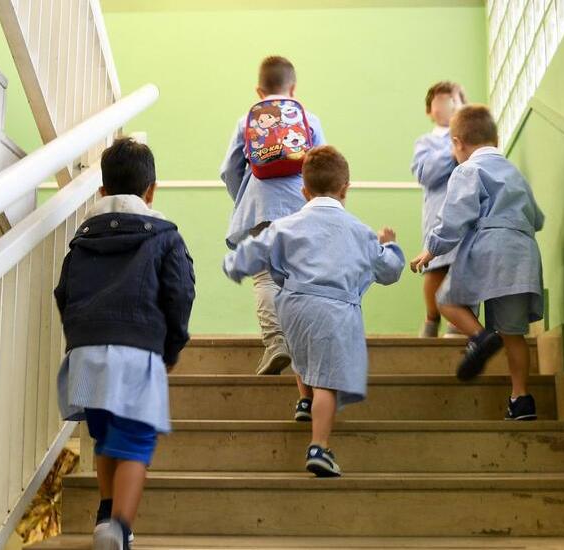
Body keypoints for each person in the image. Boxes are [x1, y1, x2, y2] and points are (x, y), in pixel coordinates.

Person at [223, 146, 404, 475]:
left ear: (304, 191)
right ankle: (320, 447)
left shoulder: (288, 224)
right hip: (335, 309)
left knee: (302, 348)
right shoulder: (359, 230)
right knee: (327, 380)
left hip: (293, 304)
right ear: (345, 189)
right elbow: (388, 270)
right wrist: (389, 245)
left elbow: (263, 255)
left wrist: (238, 265)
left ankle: (304, 400)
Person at [54, 138, 196, 549]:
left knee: (104, 439)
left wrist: (80, 339)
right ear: (151, 191)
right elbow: (179, 292)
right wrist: (172, 346)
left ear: (101, 192)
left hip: (85, 354)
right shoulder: (165, 236)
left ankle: (104, 514)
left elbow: (64, 292)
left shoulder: (81, 241)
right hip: (136, 352)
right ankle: (118, 527)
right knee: (134, 442)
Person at [410, 105, 545, 421]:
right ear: (496, 139)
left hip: (487, 247)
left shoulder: (467, 170)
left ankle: (481, 337)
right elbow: (536, 218)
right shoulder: (514, 172)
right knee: (513, 332)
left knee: (447, 299)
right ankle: (521, 398)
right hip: (523, 253)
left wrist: (432, 250)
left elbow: (455, 216)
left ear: (456, 143)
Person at [220, 55, 327, 375]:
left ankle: (275, 342)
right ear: (293, 87)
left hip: (261, 208)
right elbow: (323, 163)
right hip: (301, 206)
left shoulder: (246, 120)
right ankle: (304, 343)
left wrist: (244, 198)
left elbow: (228, 169)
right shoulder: (310, 118)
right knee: (300, 276)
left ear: (258, 90)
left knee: (265, 276)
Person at [412, 81, 467, 338]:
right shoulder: (426, 142)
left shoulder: (472, 140)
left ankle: (460, 321)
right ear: (429, 111)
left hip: (467, 216)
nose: (447, 106)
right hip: (437, 215)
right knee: (436, 268)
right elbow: (425, 173)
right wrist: (453, 148)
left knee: (465, 266)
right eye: (440, 101)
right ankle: (432, 316)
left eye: (453, 101)